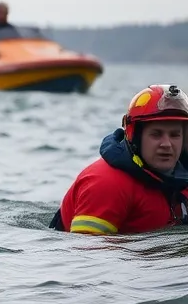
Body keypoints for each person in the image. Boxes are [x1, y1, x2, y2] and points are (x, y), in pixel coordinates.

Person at [52, 84, 188, 235]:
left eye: (175, 135)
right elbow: (86, 255)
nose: (167, 144)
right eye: (156, 134)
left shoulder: (182, 177)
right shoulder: (106, 184)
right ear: (135, 137)